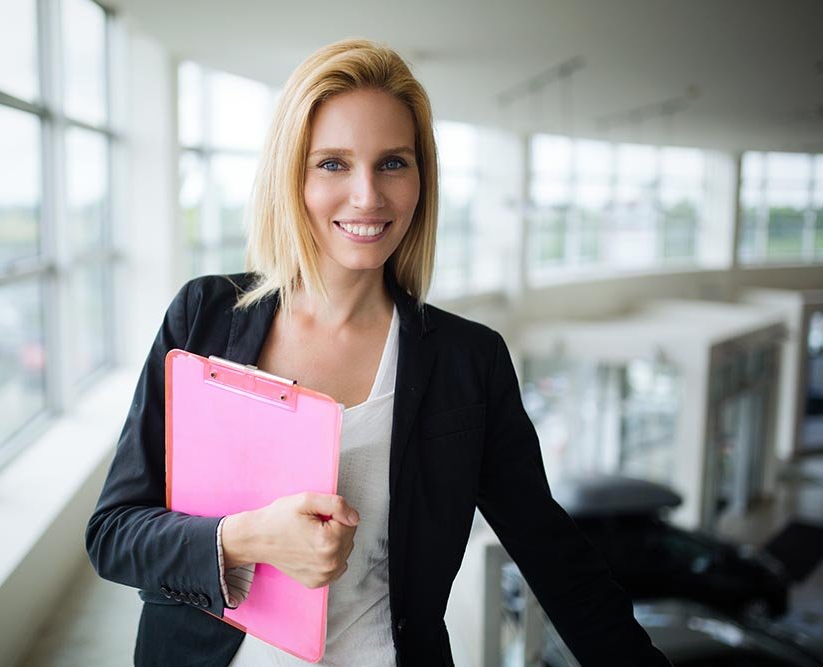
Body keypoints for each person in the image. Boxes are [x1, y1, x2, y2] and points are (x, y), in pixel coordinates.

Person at [86, 38, 670, 666]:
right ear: (292, 176)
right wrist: (250, 538)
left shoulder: (467, 363)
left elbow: (557, 558)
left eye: (392, 163)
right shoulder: (204, 317)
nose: (367, 196)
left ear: (422, 179)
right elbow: (115, 533)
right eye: (332, 163)